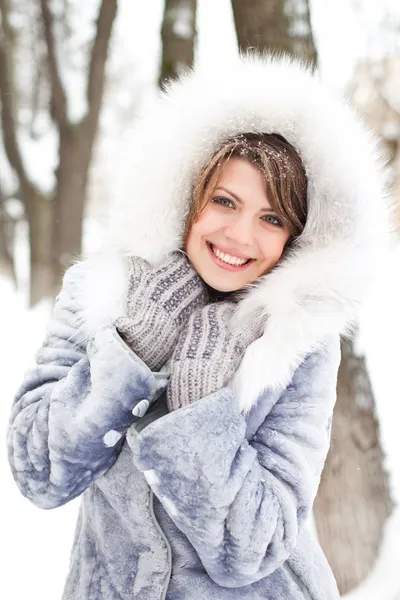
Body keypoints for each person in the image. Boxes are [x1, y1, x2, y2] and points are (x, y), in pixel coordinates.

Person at [7, 54, 390, 600]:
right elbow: (40, 474)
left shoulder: (297, 341)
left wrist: (196, 411)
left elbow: (255, 549)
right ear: (189, 197)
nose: (239, 235)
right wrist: (132, 350)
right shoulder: (103, 294)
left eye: (272, 218)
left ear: (295, 237)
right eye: (225, 201)